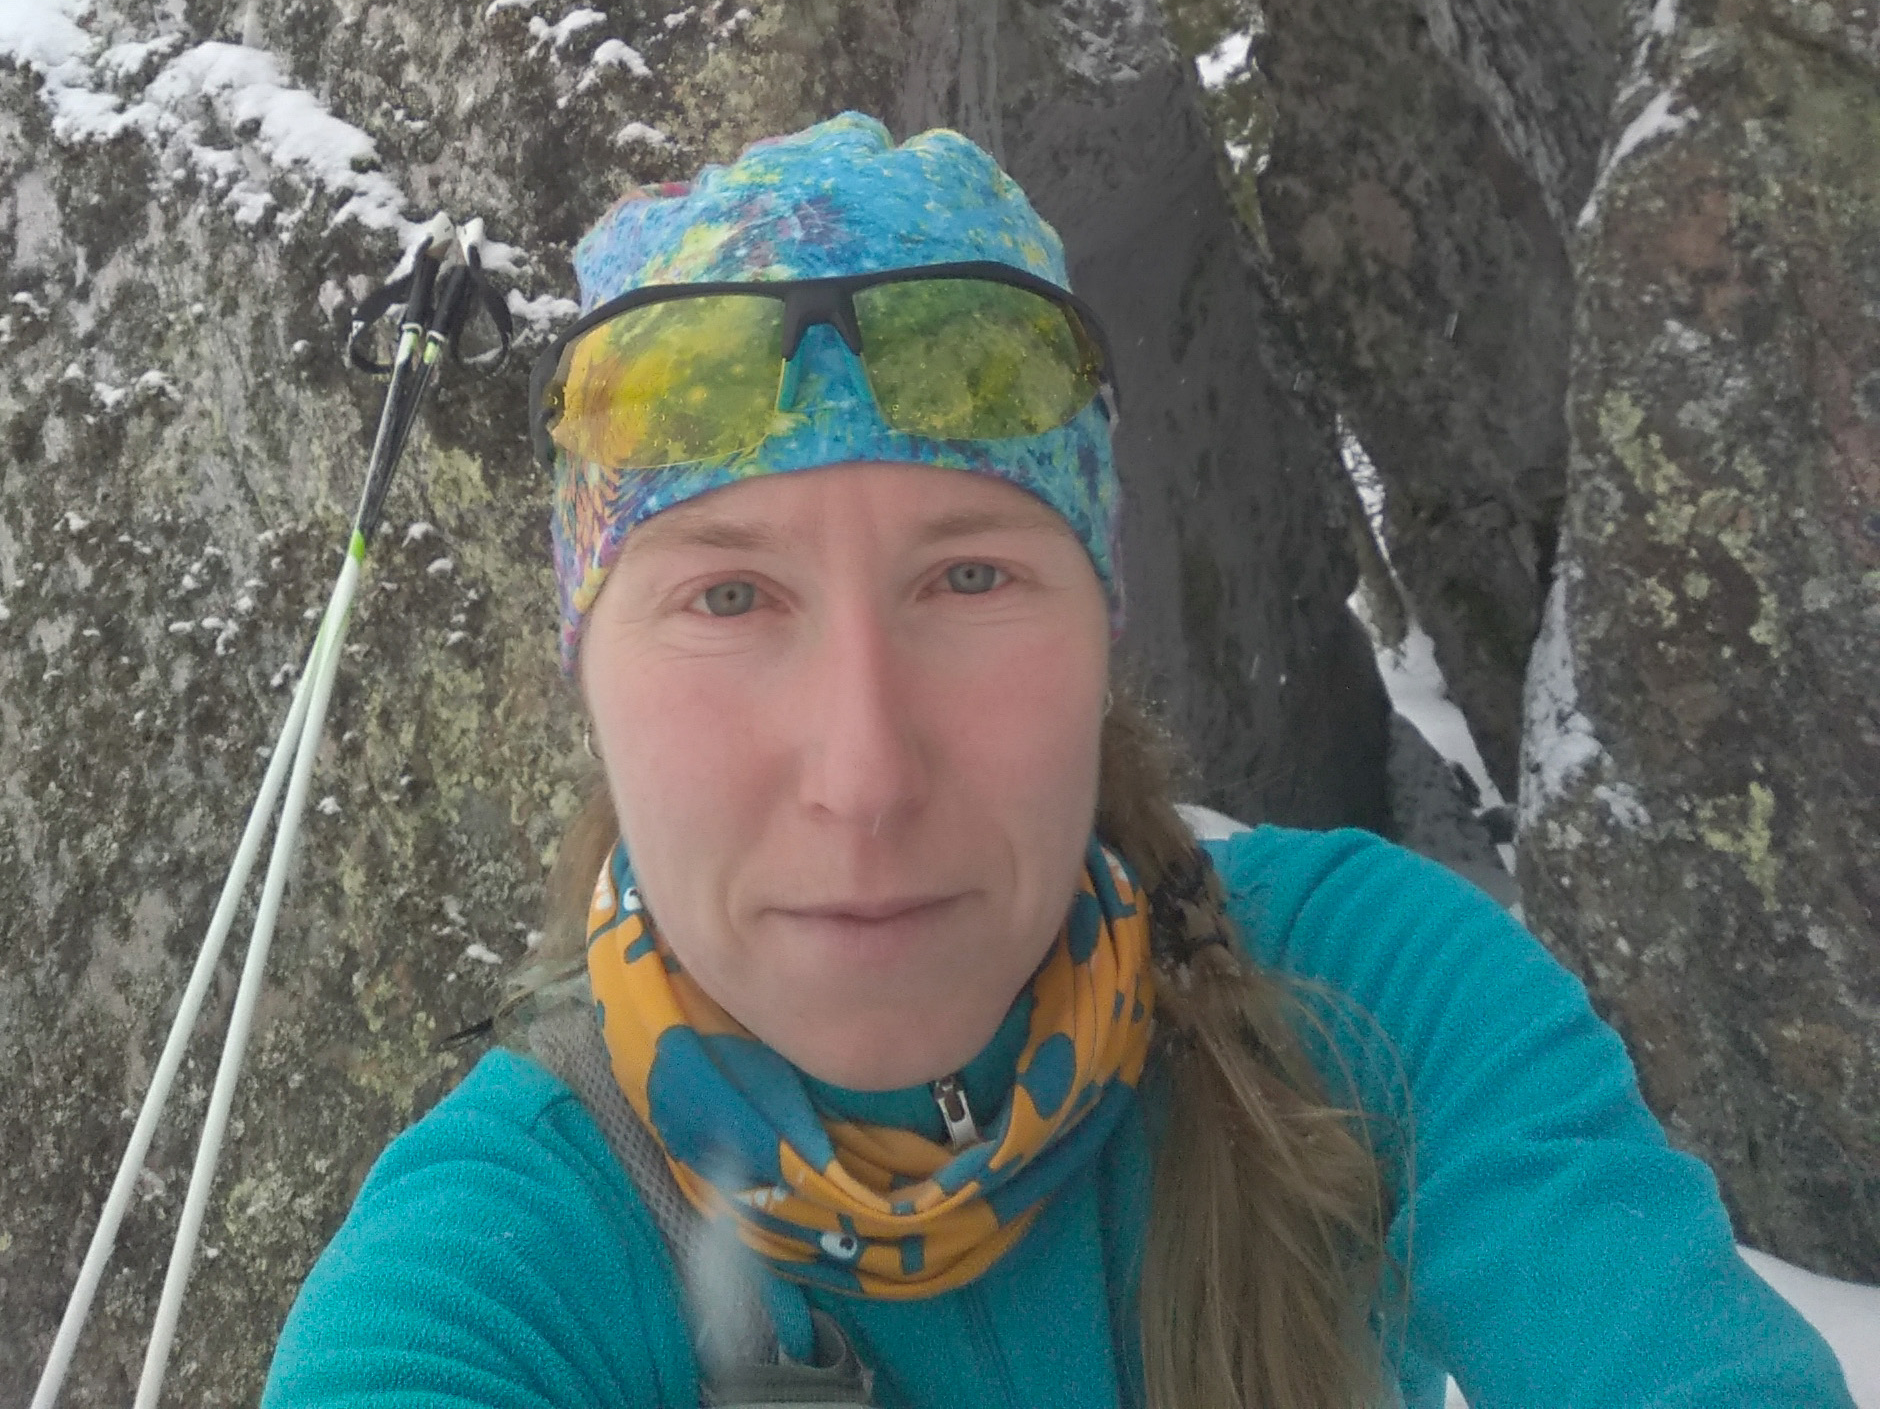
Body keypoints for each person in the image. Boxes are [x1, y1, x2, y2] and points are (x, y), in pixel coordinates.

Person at [262, 113, 1853, 1409]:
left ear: (1102, 639)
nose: (866, 777)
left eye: (971, 577)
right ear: (588, 680)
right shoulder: (501, 1259)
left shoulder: (1373, 1000)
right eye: (729, 597)